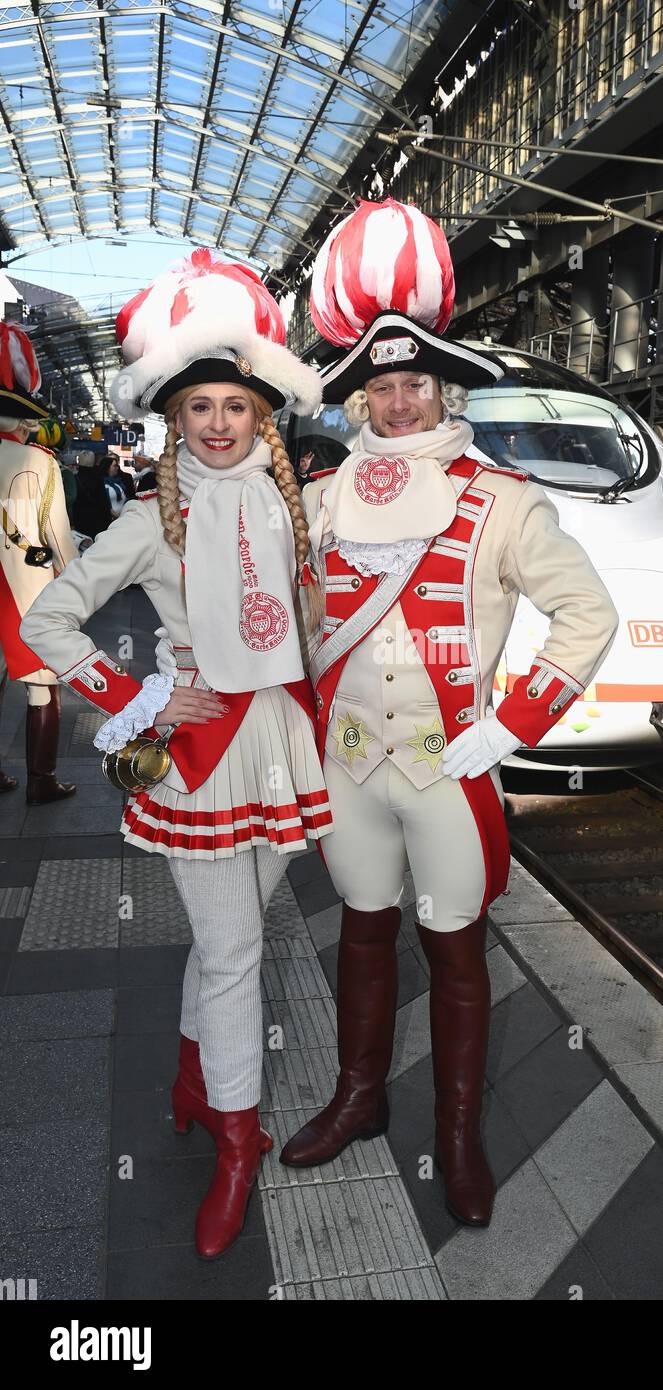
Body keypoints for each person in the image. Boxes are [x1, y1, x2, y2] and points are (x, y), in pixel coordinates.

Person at [275, 199, 620, 1226]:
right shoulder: (325, 498)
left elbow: (586, 615)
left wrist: (506, 727)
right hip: (348, 766)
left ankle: (458, 1134)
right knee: (361, 932)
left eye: (412, 384)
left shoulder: (503, 498)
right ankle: (359, 1096)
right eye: (379, 388)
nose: (395, 404)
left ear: (440, 388)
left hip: (448, 763)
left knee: (456, 946)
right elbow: (288, 619)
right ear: (362, 397)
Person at [21, 248, 331, 1259]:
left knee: (230, 939)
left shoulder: (300, 506)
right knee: (238, 947)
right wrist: (143, 692)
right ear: (173, 417)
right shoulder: (152, 518)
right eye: (196, 406)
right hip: (197, 745)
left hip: (284, 741)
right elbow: (51, 622)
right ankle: (237, 1141)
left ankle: (196, 1087)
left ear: (261, 414)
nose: (215, 422)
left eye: (232, 406)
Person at [0, 321, 78, 802]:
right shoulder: (40, 463)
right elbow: (59, 539)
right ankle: (41, 782)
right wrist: (77, 585)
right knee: (41, 683)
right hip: (25, 586)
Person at [72, 449, 112, 539]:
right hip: (98, 520)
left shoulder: (75, 478)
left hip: (80, 519)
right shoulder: (98, 478)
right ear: (93, 461)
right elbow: (103, 500)